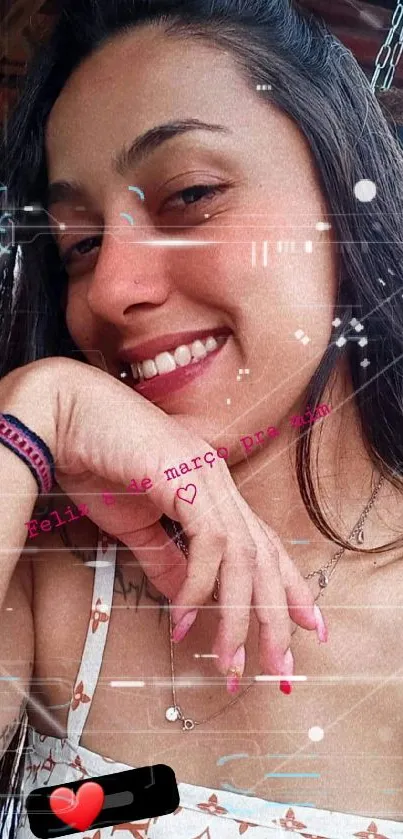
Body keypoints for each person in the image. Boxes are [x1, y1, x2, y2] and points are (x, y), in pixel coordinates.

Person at [0, 0, 403, 837]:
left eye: (190, 194)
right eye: (78, 244)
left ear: (344, 191)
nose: (111, 289)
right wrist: (36, 409)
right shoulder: (55, 569)